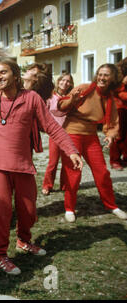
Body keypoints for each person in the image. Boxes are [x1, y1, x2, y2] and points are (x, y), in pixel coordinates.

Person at [0, 59, 83, 275]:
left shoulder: (31, 98)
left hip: (22, 164)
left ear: (16, 75)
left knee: (28, 210)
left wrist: (71, 150)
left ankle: (23, 241)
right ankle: (0, 254)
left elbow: (51, 127)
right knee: (1, 212)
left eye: (3, 72)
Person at [58, 63, 127, 222]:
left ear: (112, 79)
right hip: (72, 133)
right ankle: (69, 208)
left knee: (102, 171)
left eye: (106, 75)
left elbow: (114, 121)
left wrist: (110, 135)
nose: (102, 78)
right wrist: (72, 100)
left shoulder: (109, 97)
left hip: (91, 135)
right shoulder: (84, 88)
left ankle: (111, 205)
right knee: (74, 173)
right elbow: (62, 105)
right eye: (100, 74)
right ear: (97, 75)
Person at [41, 72, 74, 195]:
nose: (65, 83)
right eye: (62, 80)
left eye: (68, 81)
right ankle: (47, 185)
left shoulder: (71, 97)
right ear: (58, 81)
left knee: (67, 161)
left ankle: (65, 185)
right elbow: (44, 113)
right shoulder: (51, 97)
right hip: (55, 134)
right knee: (53, 162)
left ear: (71, 84)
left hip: (69, 134)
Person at [110, 57, 127, 170]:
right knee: (118, 134)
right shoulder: (117, 74)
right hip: (119, 108)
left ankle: (125, 158)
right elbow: (114, 90)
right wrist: (123, 84)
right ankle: (114, 160)